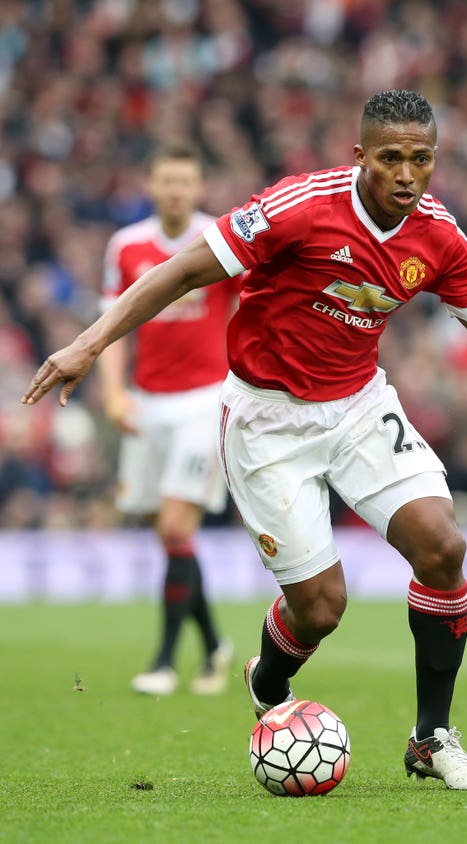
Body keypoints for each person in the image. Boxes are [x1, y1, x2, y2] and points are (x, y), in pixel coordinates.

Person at [22, 90, 467, 788]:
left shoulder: (441, 237)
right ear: (359, 155)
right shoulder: (299, 206)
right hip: (265, 420)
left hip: (359, 406)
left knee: (443, 545)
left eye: (421, 160)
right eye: (391, 158)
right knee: (321, 608)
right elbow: (182, 270)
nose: (406, 174)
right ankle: (268, 680)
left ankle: (431, 738)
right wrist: (89, 345)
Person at [99, 144, 237, 696]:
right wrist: (113, 395)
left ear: (199, 187)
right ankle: (214, 647)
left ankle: (162, 663)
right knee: (169, 536)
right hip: (147, 402)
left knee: (177, 527)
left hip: (205, 400)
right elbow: (111, 324)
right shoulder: (126, 245)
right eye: (166, 180)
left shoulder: (220, 241)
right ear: (151, 185)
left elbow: (248, 307)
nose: (176, 189)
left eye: (185, 180)